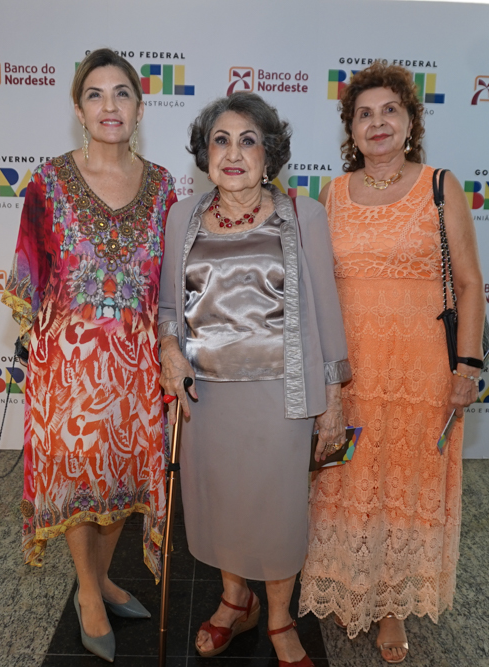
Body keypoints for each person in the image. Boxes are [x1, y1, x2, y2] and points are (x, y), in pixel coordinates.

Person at [298, 62, 485, 664]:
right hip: (350, 374)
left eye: (389, 110)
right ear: (350, 129)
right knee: (346, 479)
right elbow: (316, 288)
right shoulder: (331, 195)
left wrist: (467, 369)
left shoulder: (439, 185)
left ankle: (392, 606)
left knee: (405, 484)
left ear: (410, 122)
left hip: (419, 374)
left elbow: (470, 283)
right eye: (364, 113)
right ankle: (346, 580)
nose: (377, 123)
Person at [158, 92, 351, 667]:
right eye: (221, 140)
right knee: (222, 506)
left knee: (277, 513)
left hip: (280, 398)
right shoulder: (181, 216)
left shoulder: (302, 216)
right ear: (205, 154)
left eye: (249, 141)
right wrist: (169, 349)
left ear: (269, 156)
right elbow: (168, 308)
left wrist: (333, 399)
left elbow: (327, 312)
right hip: (207, 398)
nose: (233, 153)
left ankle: (279, 619)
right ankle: (233, 601)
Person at [1, 48, 177, 663]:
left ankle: (101, 577)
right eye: (95, 95)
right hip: (68, 362)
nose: (110, 106)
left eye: (122, 93)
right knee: (79, 476)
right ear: (78, 110)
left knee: (125, 475)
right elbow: (28, 269)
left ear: (139, 107)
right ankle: (87, 592)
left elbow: (170, 280)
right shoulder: (48, 182)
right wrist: (38, 339)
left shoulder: (163, 186)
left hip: (137, 361)